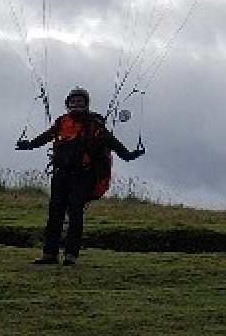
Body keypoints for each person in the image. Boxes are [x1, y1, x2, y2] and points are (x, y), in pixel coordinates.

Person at [18, 88, 139, 266]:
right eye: (73, 102)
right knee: (55, 213)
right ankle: (49, 253)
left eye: (80, 102)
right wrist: (28, 145)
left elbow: (111, 142)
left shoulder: (94, 125)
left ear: (86, 104)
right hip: (61, 174)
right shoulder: (62, 122)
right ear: (67, 104)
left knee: (75, 213)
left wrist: (128, 155)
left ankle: (70, 254)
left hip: (83, 175)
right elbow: (46, 137)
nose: (76, 105)